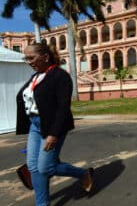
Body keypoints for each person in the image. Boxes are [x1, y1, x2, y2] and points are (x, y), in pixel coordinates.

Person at [16, 42, 94, 206]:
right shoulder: (35, 76)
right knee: (33, 166)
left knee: (45, 168)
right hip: (35, 126)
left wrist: (53, 134)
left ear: (45, 56)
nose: (29, 61)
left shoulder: (60, 76)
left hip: (52, 126)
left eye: (32, 57)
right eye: (26, 58)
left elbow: (63, 108)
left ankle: (83, 173)